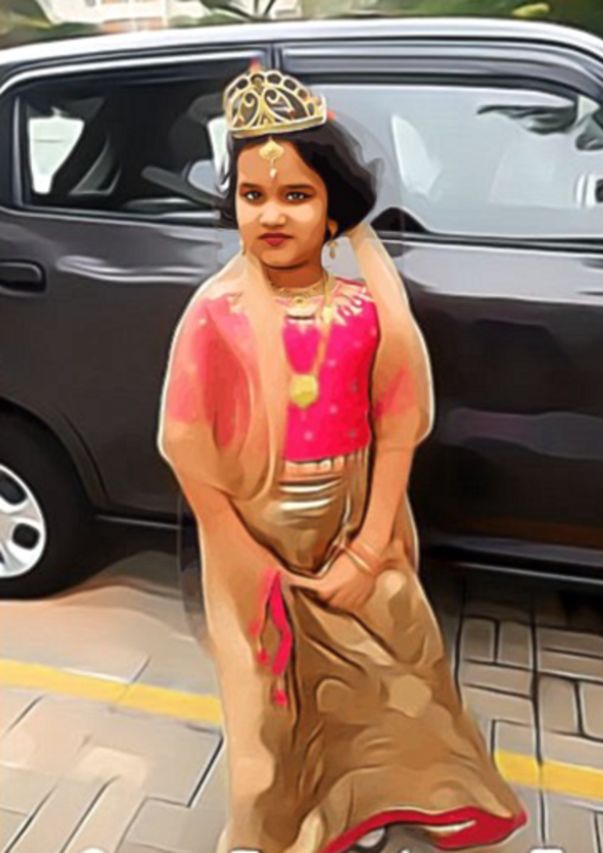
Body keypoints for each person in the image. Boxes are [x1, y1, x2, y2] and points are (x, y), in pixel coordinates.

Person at [157, 62, 526, 853]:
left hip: (357, 518)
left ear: (333, 212)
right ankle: (284, 823)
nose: (272, 214)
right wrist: (238, 549)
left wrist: (371, 546)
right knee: (273, 697)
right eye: (253, 195)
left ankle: (364, 796)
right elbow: (185, 443)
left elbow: (397, 424)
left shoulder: (364, 312)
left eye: (297, 195)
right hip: (256, 532)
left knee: (391, 671)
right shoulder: (216, 315)